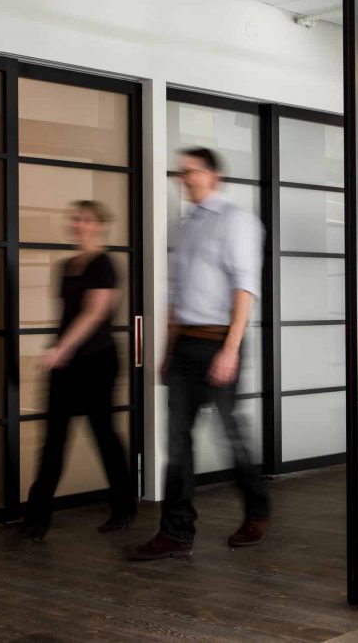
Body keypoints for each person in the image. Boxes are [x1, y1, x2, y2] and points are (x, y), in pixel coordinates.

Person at [127, 147, 270, 561]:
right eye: (181, 172)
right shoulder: (183, 227)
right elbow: (175, 295)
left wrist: (230, 349)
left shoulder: (237, 222)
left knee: (230, 433)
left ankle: (257, 509)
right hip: (186, 343)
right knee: (177, 441)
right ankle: (175, 532)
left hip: (221, 341)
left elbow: (245, 289)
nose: (183, 179)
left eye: (191, 172)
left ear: (214, 176)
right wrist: (169, 348)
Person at [23, 200, 137, 541]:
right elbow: (67, 315)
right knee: (53, 440)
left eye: (85, 220)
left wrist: (62, 349)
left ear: (100, 225)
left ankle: (124, 507)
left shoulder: (105, 263)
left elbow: (94, 313)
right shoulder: (66, 265)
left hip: (97, 360)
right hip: (66, 362)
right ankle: (36, 518)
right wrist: (59, 351)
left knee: (104, 434)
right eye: (75, 219)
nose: (78, 225)